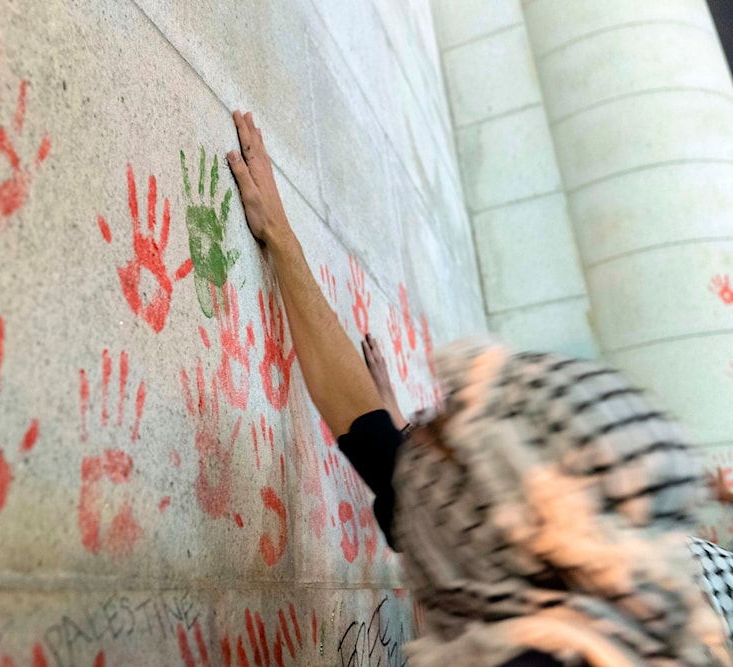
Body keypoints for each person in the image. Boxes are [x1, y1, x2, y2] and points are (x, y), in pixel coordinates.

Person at [225, 109, 732, 667]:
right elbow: (370, 431)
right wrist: (280, 235)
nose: (423, 426)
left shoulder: (519, 603)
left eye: (442, 434)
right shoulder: (503, 530)